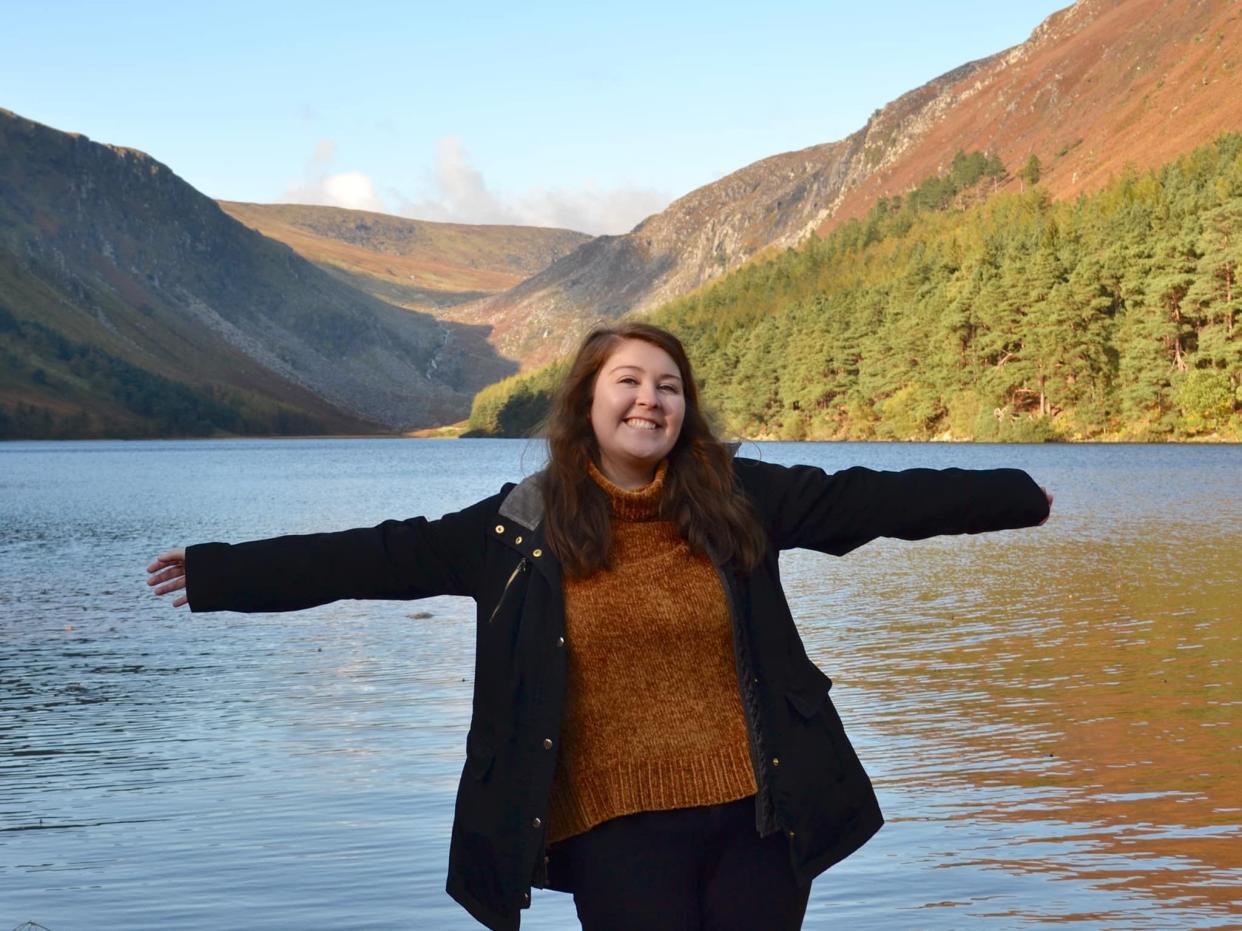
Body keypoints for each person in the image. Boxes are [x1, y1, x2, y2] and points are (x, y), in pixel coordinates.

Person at [147, 322, 1052, 931]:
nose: (651, 400)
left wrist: (1013, 496)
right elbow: (380, 556)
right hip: (613, 822)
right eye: (630, 382)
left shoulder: (741, 498)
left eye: (670, 386)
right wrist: (225, 571)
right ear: (588, 400)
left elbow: (874, 498)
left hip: (762, 812)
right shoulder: (520, 524)